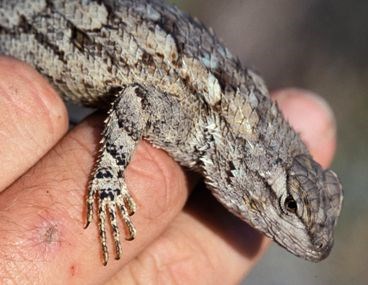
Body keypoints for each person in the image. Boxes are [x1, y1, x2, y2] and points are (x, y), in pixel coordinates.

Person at [0, 57, 336, 284]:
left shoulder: (229, 130)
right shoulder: (197, 125)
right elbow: (137, 101)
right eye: (290, 206)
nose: (314, 244)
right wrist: (109, 178)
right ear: (261, 170)